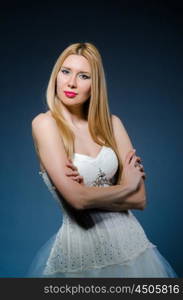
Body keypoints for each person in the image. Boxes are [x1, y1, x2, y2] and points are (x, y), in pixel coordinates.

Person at [27, 42, 177, 277]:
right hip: (81, 254)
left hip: (133, 247)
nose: (71, 83)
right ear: (56, 75)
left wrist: (90, 195)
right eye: (65, 72)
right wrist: (125, 187)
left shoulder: (112, 124)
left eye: (84, 76)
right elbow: (77, 201)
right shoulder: (45, 124)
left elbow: (140, 199)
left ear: (94, 84)